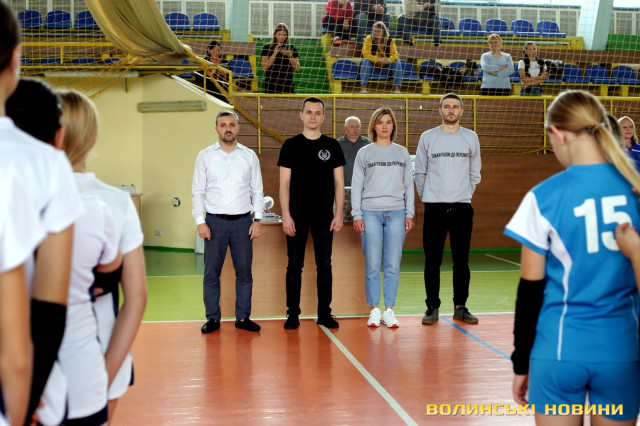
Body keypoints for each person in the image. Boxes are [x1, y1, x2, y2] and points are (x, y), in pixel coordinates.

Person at [506, 90, 640, 425]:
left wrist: (521, 363)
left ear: (558, 133)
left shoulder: (543, 197)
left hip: (559, 350)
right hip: (622, 351)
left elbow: (529, 293)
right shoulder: (634, 191)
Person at [58, 88, 148, 422]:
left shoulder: (17, 198)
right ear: (93, 138)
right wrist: (105, 377)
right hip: (102, 355)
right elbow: (136, 299)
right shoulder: (117, 202)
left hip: (30, 363)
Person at [4, 78, 85, 425]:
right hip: (26, 384)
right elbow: (48, 311)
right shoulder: (49, 170)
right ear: (59, 137)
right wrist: (23, 406)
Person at [192, 110, 264, 334]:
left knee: (244, 273)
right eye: (223, 125)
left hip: (243, 222)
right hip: (214, 223)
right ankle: (213, 318)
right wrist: (200, 221)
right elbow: (197, 191)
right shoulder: (205, 156)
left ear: (238, 128)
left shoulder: (249, 156)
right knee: (211, 274)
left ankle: (243, 317)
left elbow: (257, 190)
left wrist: (258, 219)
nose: (228, 129)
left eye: (232, 124)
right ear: (216, 129)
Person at [278, 97, 346, 330]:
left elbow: (339, 184)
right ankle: (292, 314)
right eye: (309, 112)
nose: (313, 116)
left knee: (324, 264)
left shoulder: (332, 146)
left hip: (324, 216)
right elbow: (284, 184)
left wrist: (338, 214)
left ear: (323, 117)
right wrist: (286, 215)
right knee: (294, 265)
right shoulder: (290, 145)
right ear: (301, 115)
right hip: (296, 215)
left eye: (318, 113)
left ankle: (324, 313)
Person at [414, 93, 481, 325]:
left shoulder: (471, 137)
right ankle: (432, 306)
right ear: (440, 110)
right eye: (447, 106)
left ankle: (460, 306)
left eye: (455, 107)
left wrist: (465, 194)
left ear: (461, 111)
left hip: (462, 207)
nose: (451, 110)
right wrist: (429, 197)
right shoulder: (428, 137)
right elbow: (419, 172)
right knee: (432, 261)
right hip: (434, 207)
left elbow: (475, 173)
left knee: (461, 261)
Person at [351, 107, 415, 328]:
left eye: (388, 122)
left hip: (397, 212)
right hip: (370, 212)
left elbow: (409, 185)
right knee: (372, 263)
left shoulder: (402, 152)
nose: (385, 126)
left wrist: (409, 212)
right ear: (374, 126)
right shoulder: (364, 153)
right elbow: (357, 185)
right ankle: (374, 310)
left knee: (392, 264)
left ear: (393, 126)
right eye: (380, 122)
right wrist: (357, 214)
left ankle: (389, 310)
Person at [360, 21, 402, 94]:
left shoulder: (390, 39)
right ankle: (363, 89)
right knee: (365, 61)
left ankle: (397, 89)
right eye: (375, 31)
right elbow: (366, 54)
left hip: (386, 68)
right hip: (372, 68)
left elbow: (395, 54)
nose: (376, 33)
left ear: (384, 32)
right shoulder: (369, 38)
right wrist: (378, 59)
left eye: (379, 31)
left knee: (397, 62)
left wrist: (389, 60)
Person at [260, 23, 300, 94]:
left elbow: (297, 68)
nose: (281, 37)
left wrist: (290, 55)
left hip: (287, 83)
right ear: (275, 34)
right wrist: (274, 53)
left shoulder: (291, 47)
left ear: (287, 36)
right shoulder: (267, 47)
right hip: (271, 83)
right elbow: (264, 67)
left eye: (284, 35)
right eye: (279, 34)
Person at [337, 116, 372, 187]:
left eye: (357, 126)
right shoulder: (337, 145)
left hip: (365, 187)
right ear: (345, 128)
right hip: (343, 186)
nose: (355, 129)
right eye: (352, 127)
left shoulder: (368, 144)